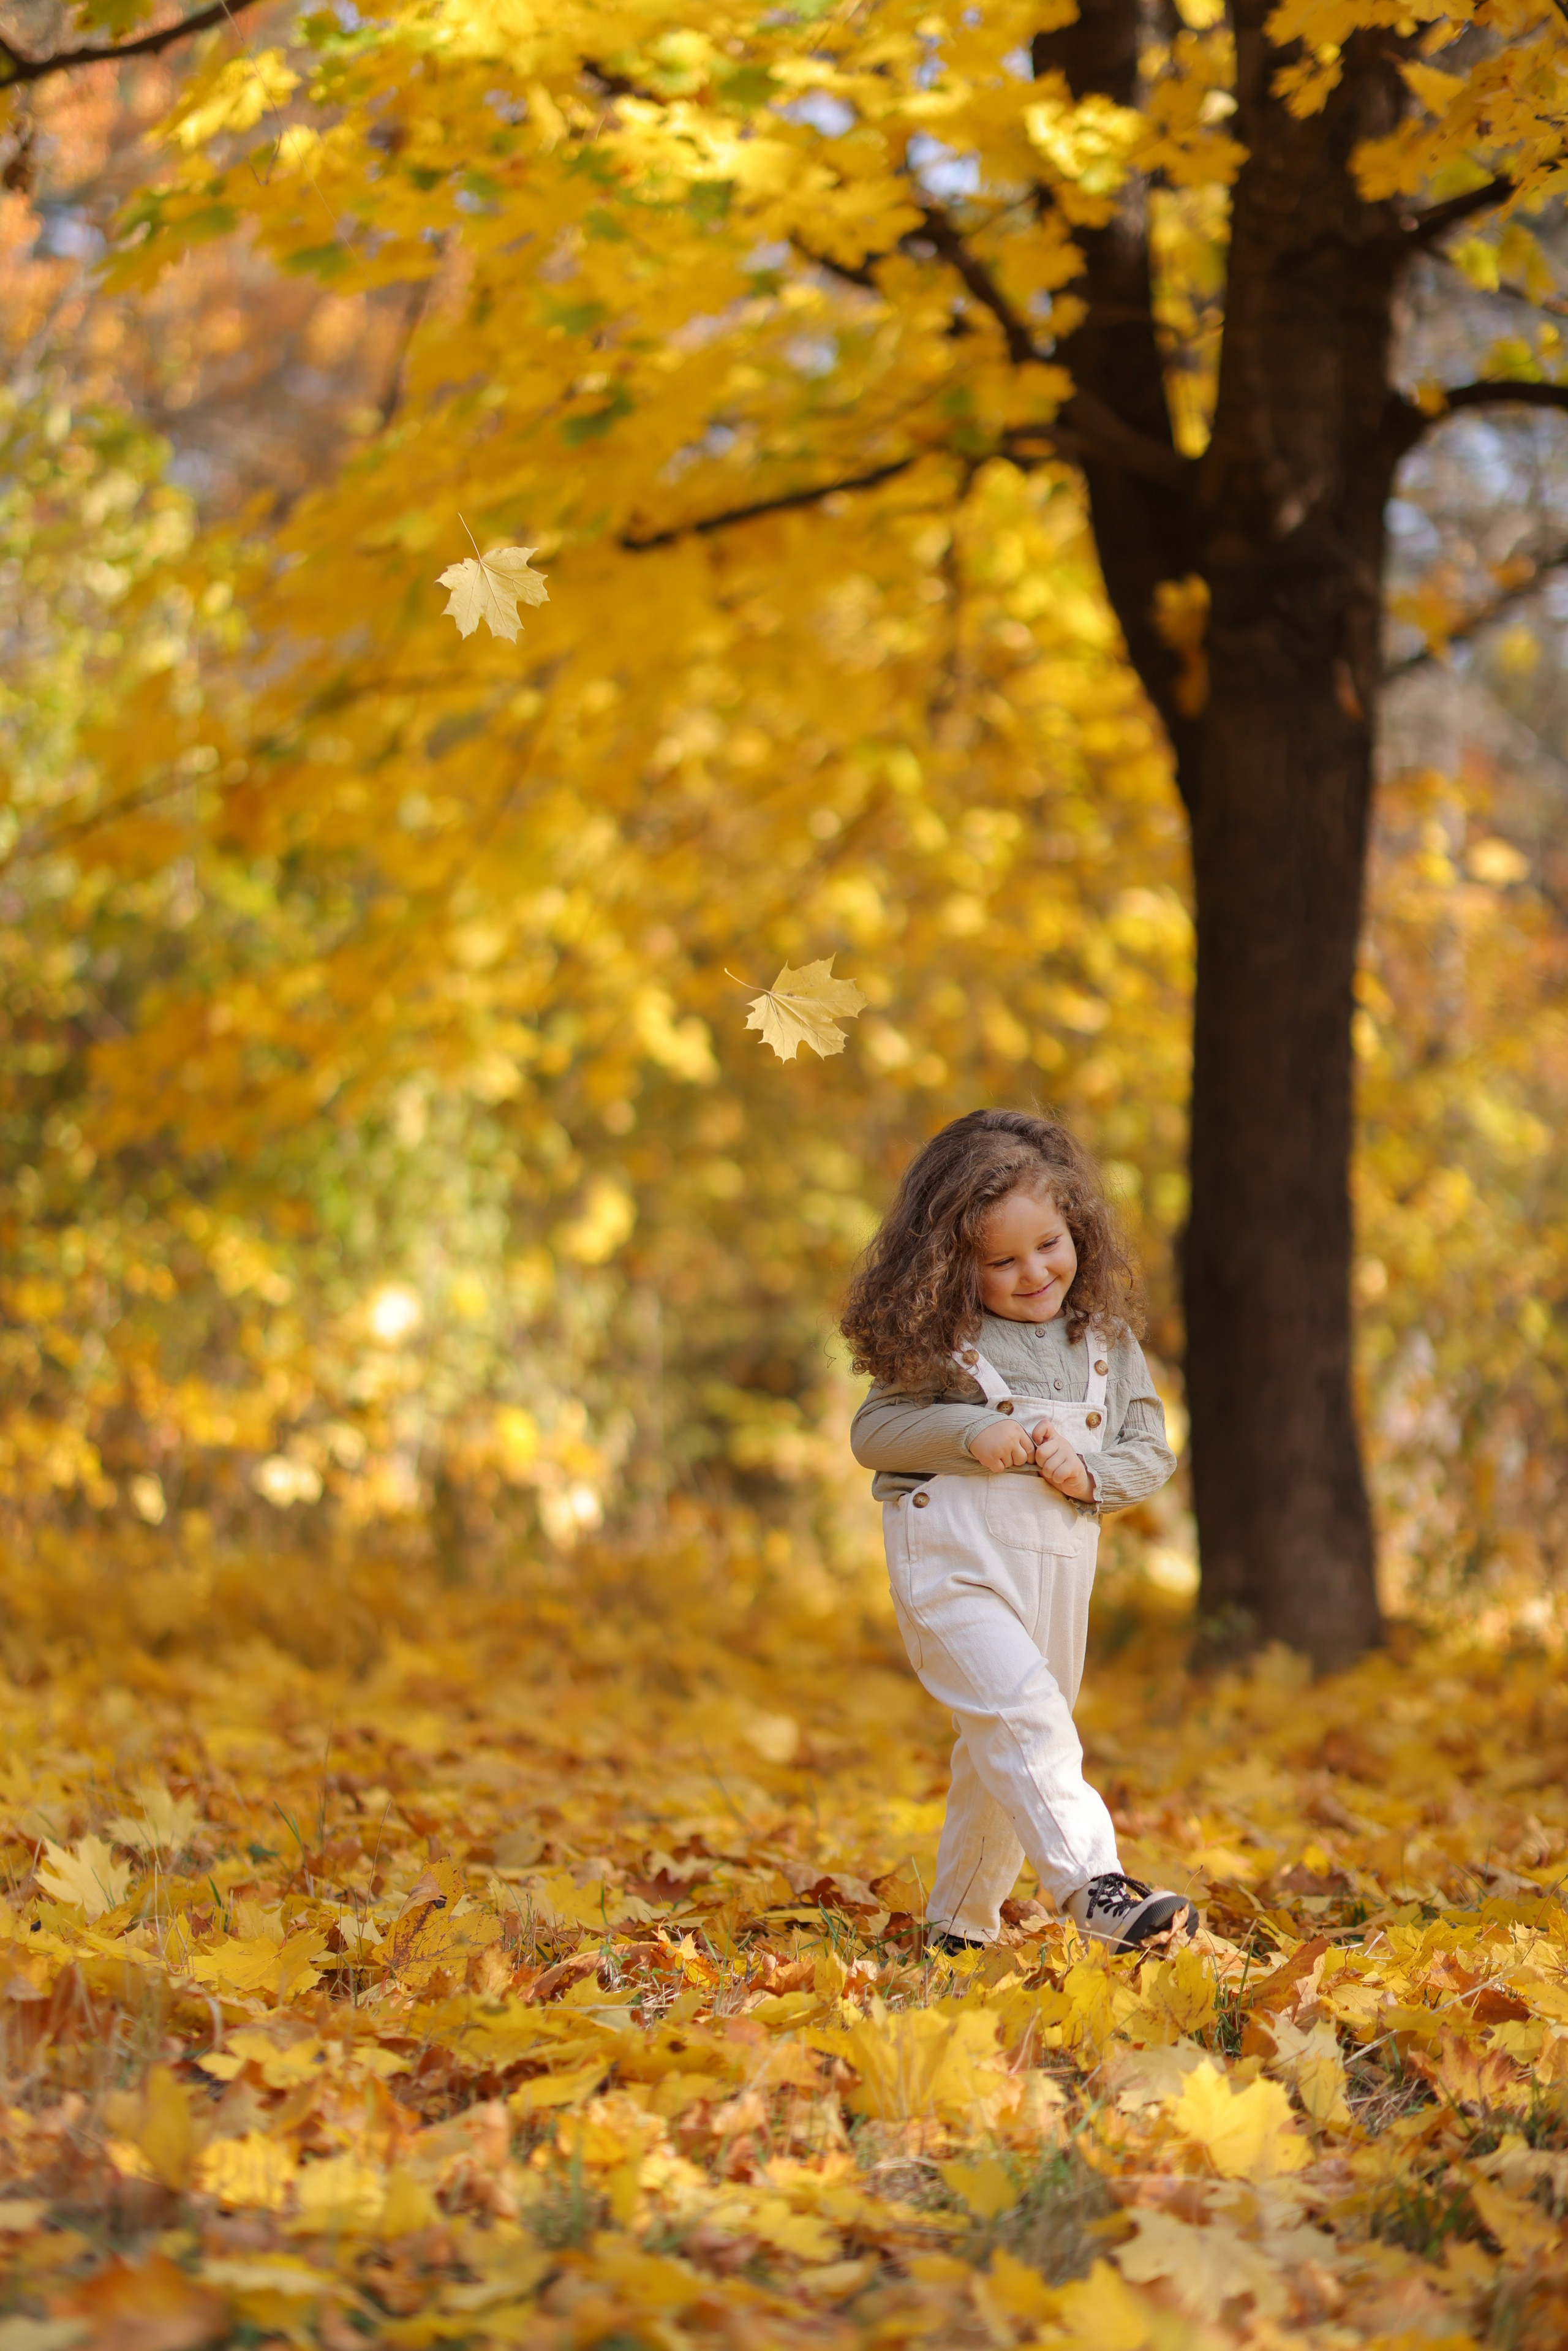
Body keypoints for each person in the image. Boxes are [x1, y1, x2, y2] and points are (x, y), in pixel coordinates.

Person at [842, 1108, 1196, 1954]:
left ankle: (958, 1927)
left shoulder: (1107, 1343)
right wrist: (968, 1436)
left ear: (1078, 1228)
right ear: (952, 1263)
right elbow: (874, 1434)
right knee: (1029, 1721)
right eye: (1001, 1261)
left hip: (1054, 1581)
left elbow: (1150, 1450)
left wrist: (1092, 1476)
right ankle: (1096, 1885)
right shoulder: (945, 1341)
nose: (1034, 1272)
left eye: (1050, 1244)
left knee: (1004, 1751)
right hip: (952, 1570)